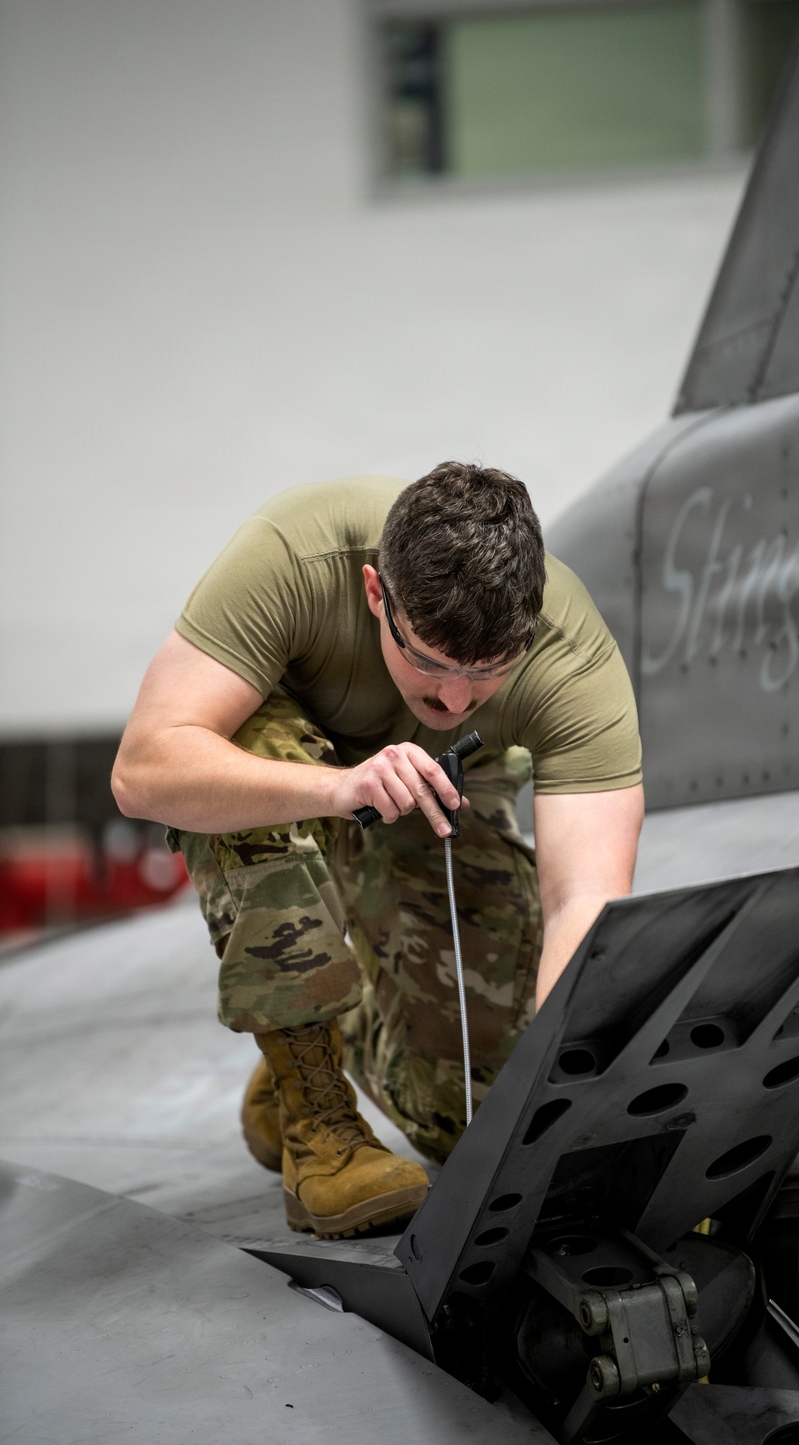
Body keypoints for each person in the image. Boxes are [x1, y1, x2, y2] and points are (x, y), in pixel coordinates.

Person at [113, 463, 644, 1239]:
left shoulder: (572, 661)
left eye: (488, 671)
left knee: (479, 1117)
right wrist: (336, 788)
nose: (454, 699)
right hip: (297, 768)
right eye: (429, 660)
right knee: (249, 745)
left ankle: (323, 1031)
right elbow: (143, 768)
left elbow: (584, 901)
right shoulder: (293, 559)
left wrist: (559, 1103)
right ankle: (316, 1122)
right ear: (375, 594)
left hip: (447, 792)